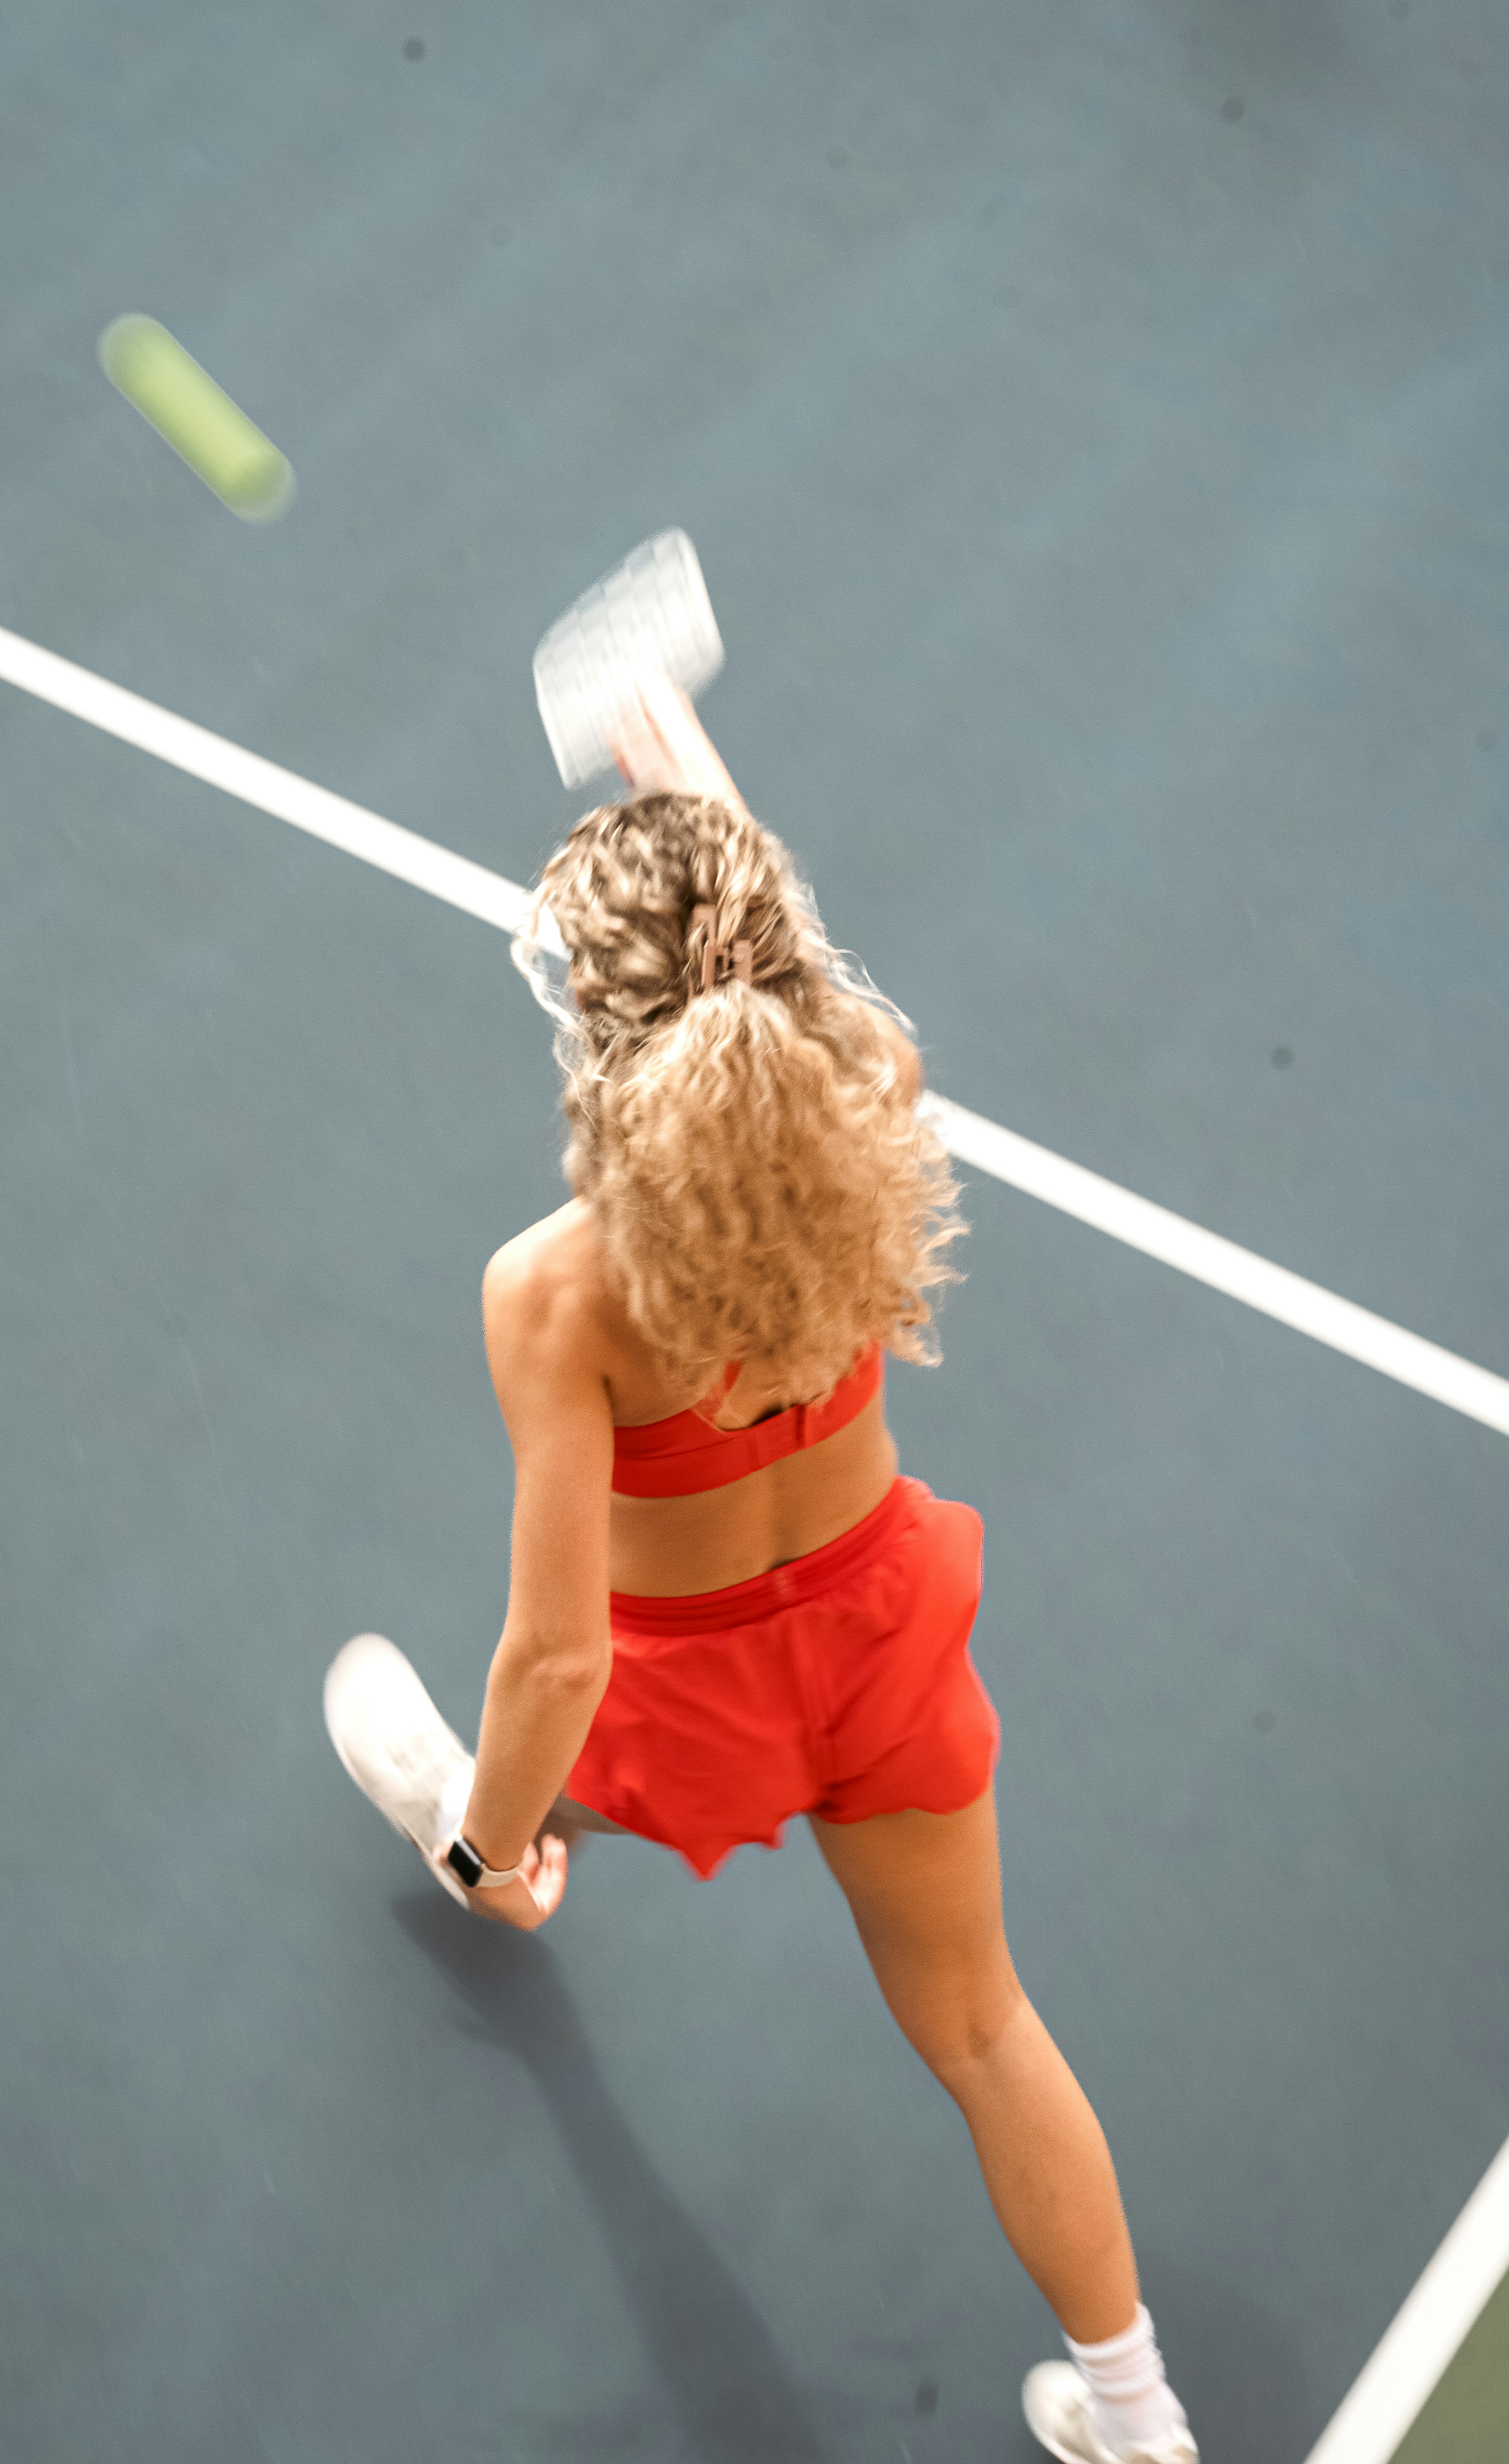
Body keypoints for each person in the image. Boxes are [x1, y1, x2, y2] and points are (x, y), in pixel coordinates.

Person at [325, 676, 1198, 2464]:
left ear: (597, 1028)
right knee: (982, 2028)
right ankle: (1141, 2417)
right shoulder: (867, 1091)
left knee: (526, 1796)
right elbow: (791, 977)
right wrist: (691, 781)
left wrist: (495, 1845)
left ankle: (471, 1834)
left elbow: (558, 1659)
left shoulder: (556, 1291)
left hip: (680, 1695)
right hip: (881, 1642)